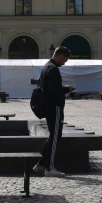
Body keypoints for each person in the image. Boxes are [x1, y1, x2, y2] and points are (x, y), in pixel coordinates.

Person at [33, 46, 74, 178]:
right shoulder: (53, 69)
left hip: (49, 107)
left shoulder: (46, 67)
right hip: (54, 107)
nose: (64, 63)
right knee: (55, 137)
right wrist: (66, 90)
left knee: (53, 136)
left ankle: (40, 164)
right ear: (60, 56)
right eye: (65, 60)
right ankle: (49, 167)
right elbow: (54, 91)